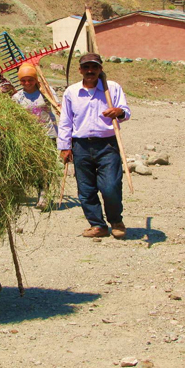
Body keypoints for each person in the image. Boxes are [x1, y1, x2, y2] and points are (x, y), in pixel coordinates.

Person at [57, 53, 130, 239]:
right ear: (80, 70)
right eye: (86, 67)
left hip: (107, 144)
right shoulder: (71, 92)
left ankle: (116, 221)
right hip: (80, 145)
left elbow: (126, 112)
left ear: (100, 69)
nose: (90, 71)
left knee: (110, 186)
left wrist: (118, 111)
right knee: (86, 189)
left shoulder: (112, 88)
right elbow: (66, 121)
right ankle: (98, 225)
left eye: (94, 67)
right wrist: (64, 147)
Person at [12, 62, 59, 209]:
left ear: (35, 79)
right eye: (23, 80)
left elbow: (57, 105)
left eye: (30, 79)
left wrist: (57, 107)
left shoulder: (45, 91)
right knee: (30, 166)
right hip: (28, 136)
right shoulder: (17, 97)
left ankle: (44, 196)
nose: (27, 83)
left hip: (48, 134)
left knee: (46, 166)